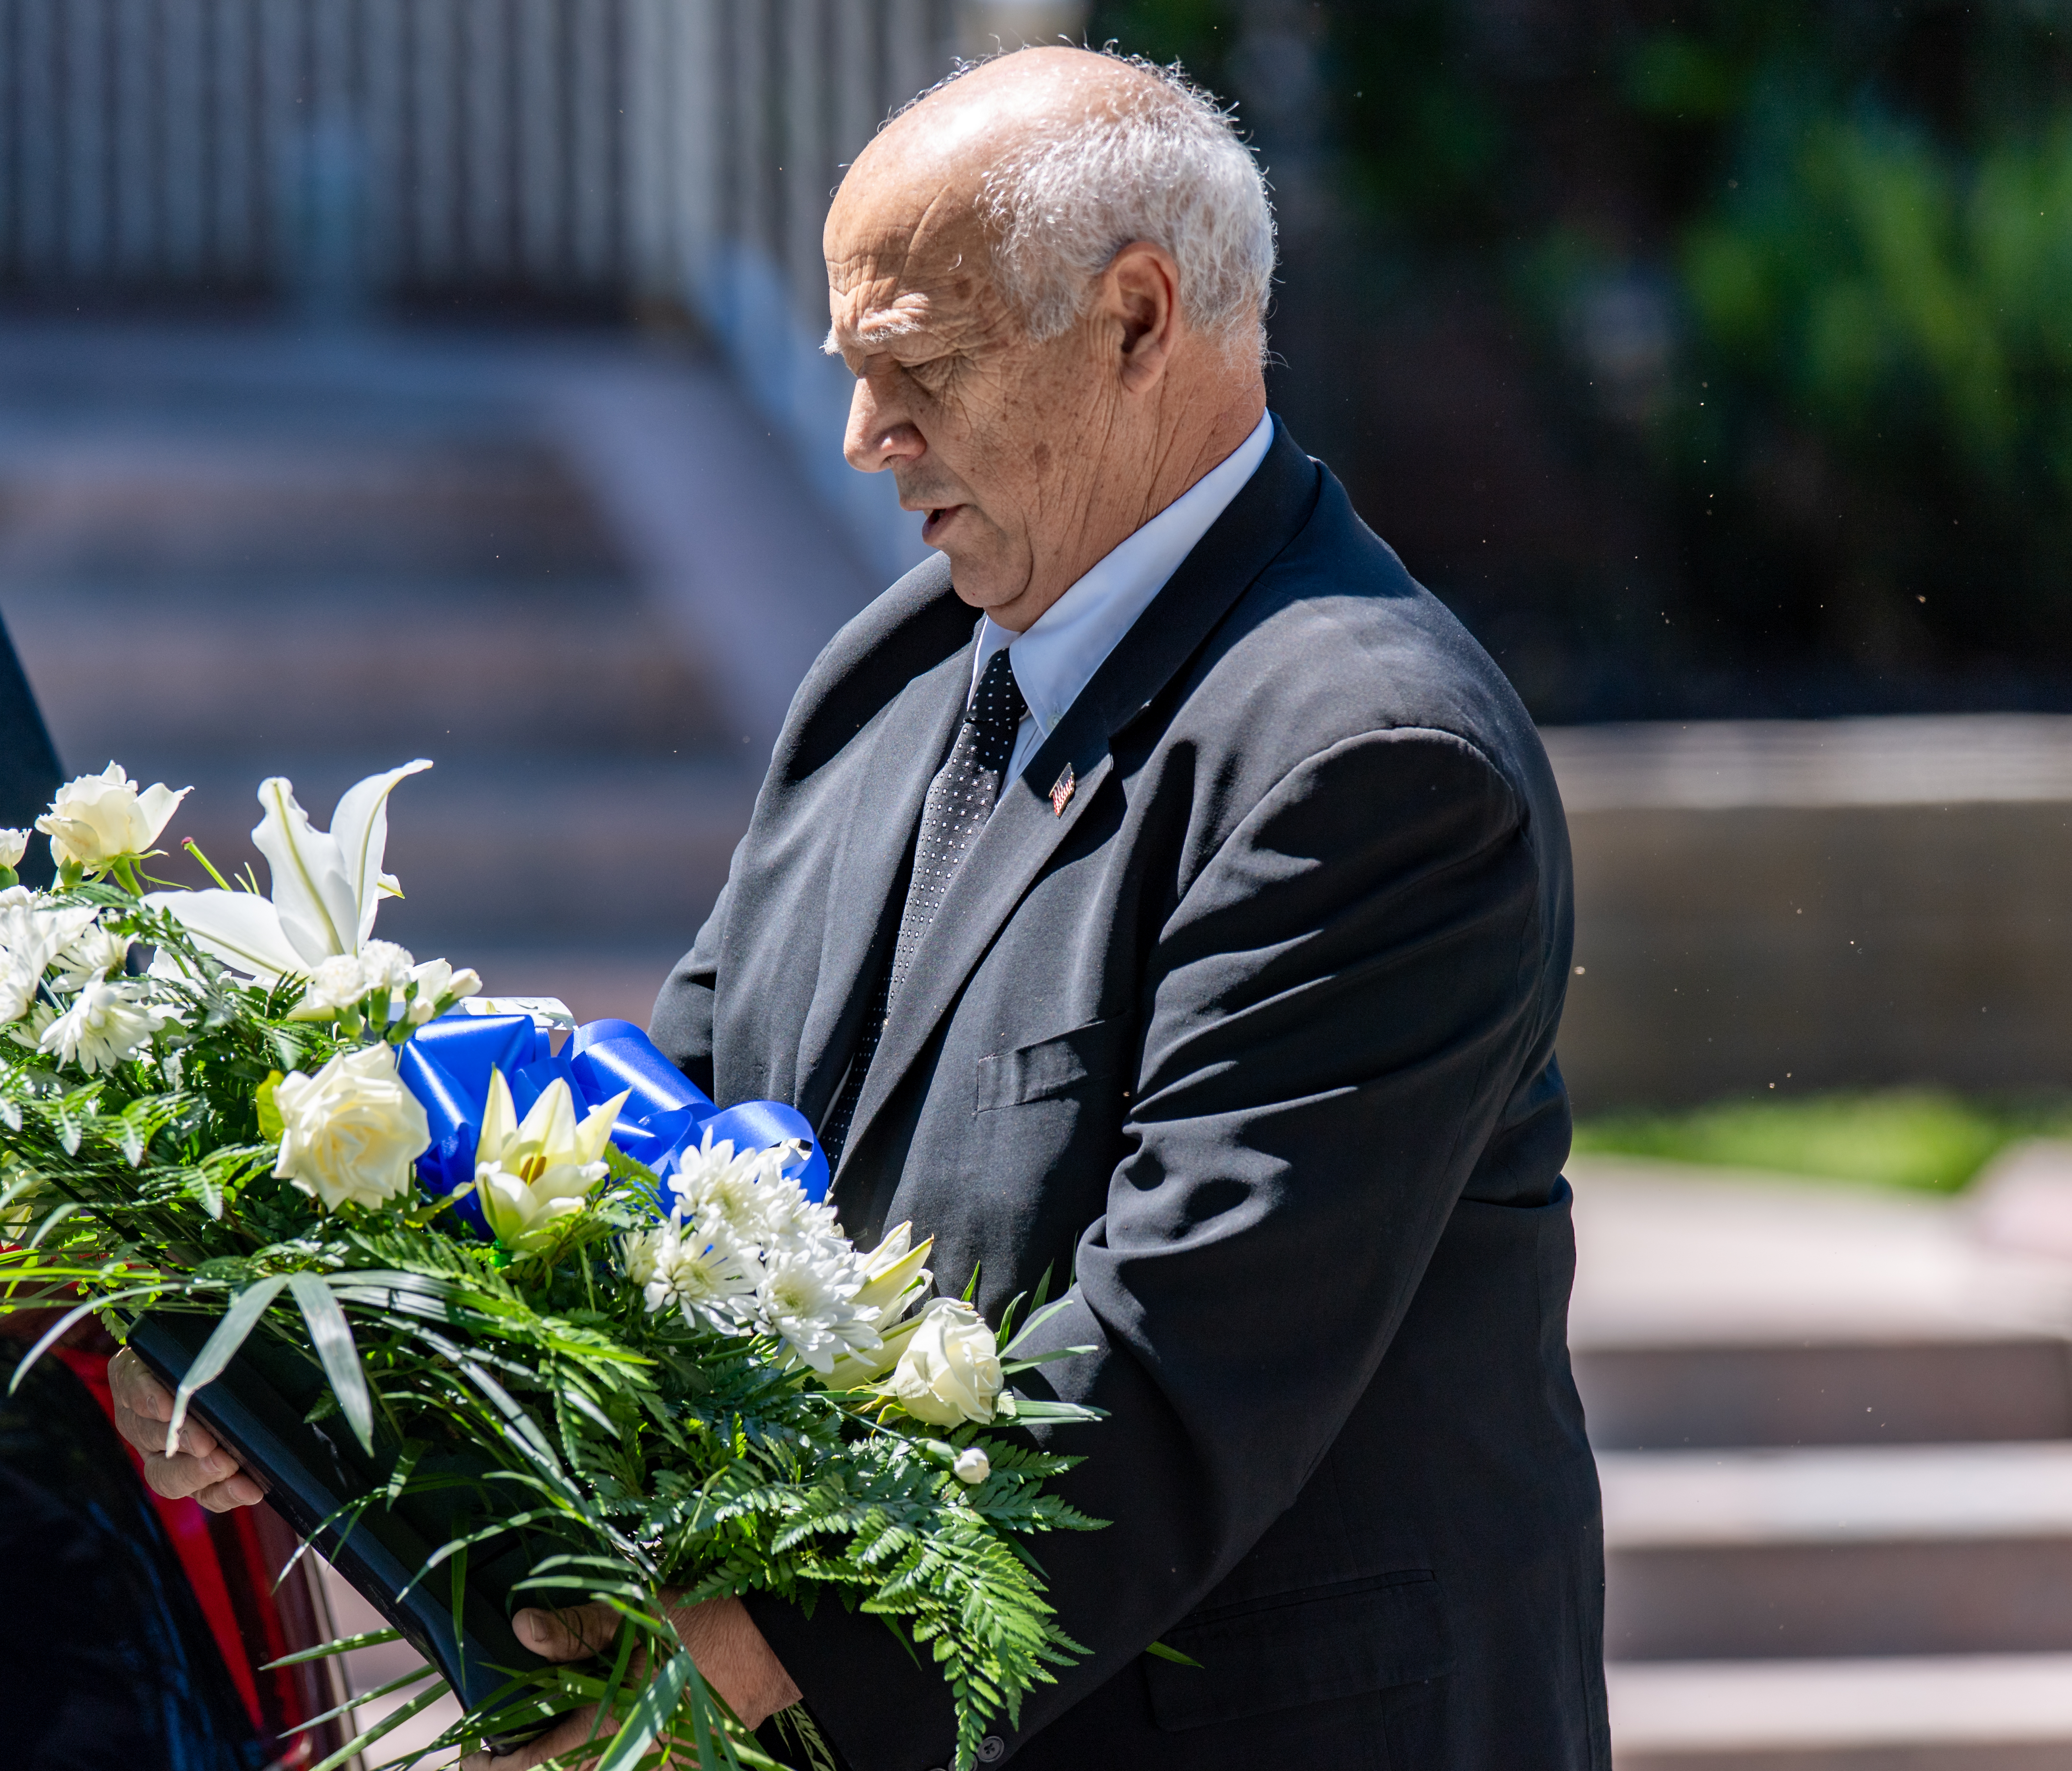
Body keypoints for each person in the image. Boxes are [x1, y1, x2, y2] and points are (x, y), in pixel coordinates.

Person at [111, 44, 1604, 1770]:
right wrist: (304, 1366)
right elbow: (639, 1164)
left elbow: (1167, 1381)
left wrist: (705, 1678)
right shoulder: (893, 673)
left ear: (1137, 321)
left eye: (919, 367)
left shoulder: (1369, 760)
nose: (863, 436)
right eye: (854, 367)